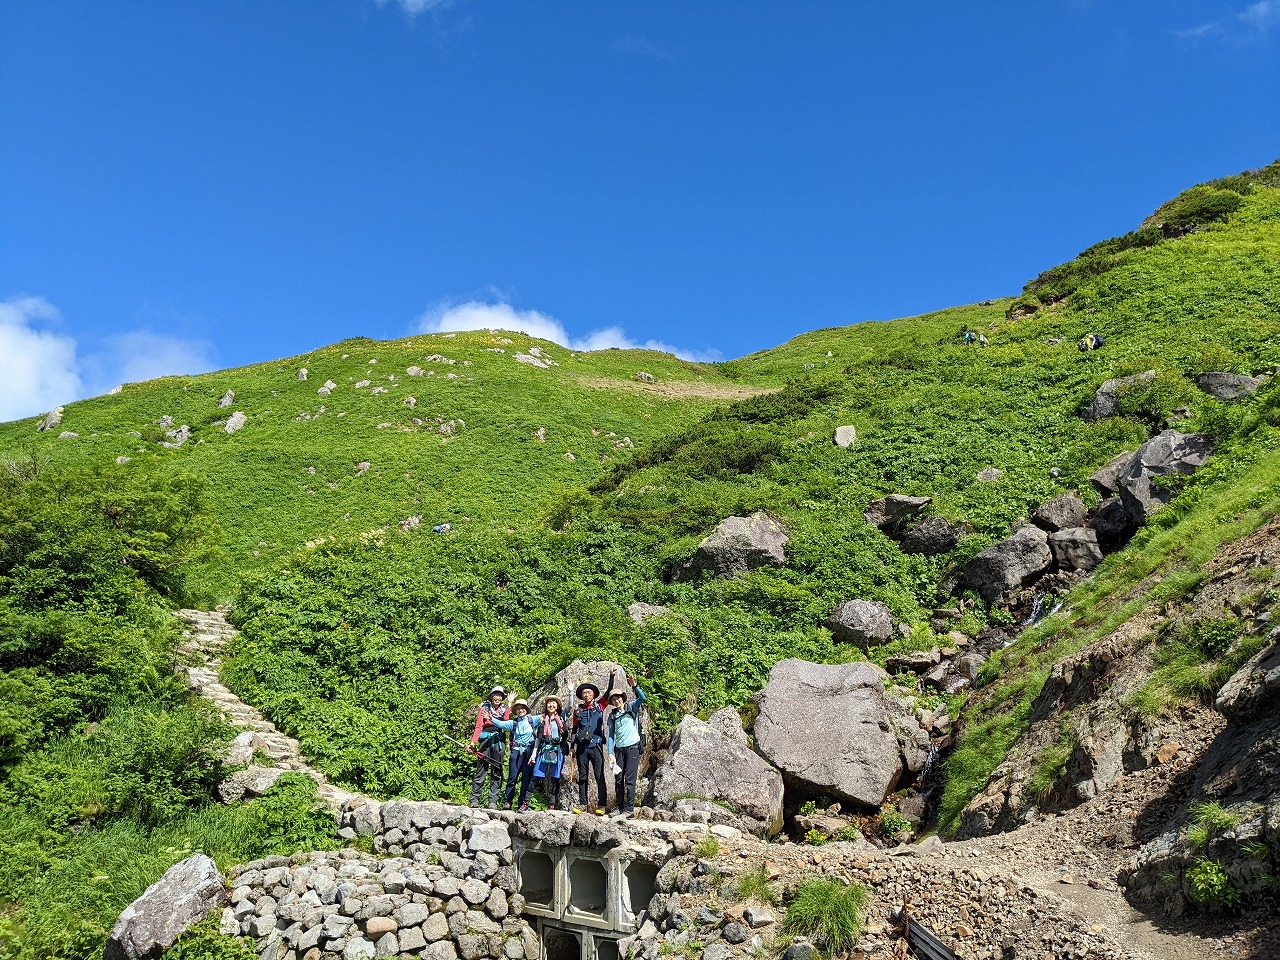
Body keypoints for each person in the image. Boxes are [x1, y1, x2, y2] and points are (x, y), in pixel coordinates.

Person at [605, 675, 646, 817]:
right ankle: (619, 807)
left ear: (622, 698)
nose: (616, 701)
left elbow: (643, 698)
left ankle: (629, 809)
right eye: (613, 699)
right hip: (619, 750)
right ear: (611, 702)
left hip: (633, 747)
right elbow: (611, 736)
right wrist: (610, 752)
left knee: (629, 779)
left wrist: (635, 686)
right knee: (618, 778)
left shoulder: (631, 707)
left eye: (618, 698)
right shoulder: (612, 715)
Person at [569, 676, 609, 814]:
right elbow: (575, 728)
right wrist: (572, 747)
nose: (586, 695)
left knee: (599, 775)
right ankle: (582, 804)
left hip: (596, 746)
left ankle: (602, 805)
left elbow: (608, 692)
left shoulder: (600, 706)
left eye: (589, 692)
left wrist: (611, 676)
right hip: (581, 747)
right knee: (582, 776)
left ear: (593, 694)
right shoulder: (578, 710)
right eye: (584, 693)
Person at [490, 698, 538, 811]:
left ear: (526, 710)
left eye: (523, 708)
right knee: (512, 778)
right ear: (515, 711)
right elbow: (501, 724)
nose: (520, 710)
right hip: (516, 751)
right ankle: (508, 802)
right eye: (518, 709)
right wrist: (490, 718)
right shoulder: (514, 723)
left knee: (526, 779)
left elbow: (547, 717)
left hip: (528, 752)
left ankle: (522, 804)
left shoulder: (533, 720)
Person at [469, 685, 508, 808]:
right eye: (496, 695)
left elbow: (506, 722)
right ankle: (475, 799)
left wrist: (510, 704)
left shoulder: (505, 709)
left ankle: (493, 801)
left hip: (498, 741)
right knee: (481, 769)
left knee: (497, 770)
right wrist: (473, 742)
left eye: (500, 695)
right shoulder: (484, 708)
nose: (497, 698)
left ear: (502, 698)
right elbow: (479, 726)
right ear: (491, 696)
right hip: (485, 741)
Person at [530, 694, 569, 811]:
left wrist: (571, 692)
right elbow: (538, 737)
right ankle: (525, 802)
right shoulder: (542, 719)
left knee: (555, 778)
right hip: (544, 748)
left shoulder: (561, 718)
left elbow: (570, 707)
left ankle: (552, 804)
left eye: (553, 703)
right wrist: (534, 754)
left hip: (558, 749)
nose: (551, 705)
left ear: (557, 706)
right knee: (535, 776)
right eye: (549, 703)